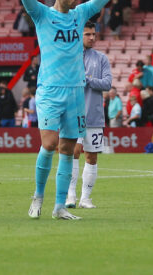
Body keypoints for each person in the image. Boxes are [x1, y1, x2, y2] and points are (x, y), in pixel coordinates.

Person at [18, 0, 121, 221]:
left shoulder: (80, 15)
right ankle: (38, 196)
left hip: (76, 92)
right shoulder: (41, 15)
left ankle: (60, 206)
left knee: (67, 149)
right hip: (50, 90)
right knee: (49, 144)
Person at [65, 24, 113, 209]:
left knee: (91, 157)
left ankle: (85, 198)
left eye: (94, 34)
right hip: (72, 114)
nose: (92, 37)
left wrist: (88, 80)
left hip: (94, 116)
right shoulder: (69, 57)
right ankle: (71, 195)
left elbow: (107, 83)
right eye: (88, 34)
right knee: (73, 153)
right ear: (79, 35)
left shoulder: (101, 58)